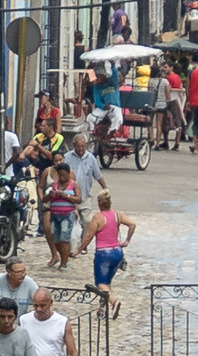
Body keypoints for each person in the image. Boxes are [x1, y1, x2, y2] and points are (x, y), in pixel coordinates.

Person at [72, 190, 136, 319]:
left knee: (101, 283)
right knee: (107, 283)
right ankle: (102, 309)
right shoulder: (118, 214)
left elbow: (88, 236)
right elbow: (132, 224)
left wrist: (78, 250)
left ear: (99, 203)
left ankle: (113, 302)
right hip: (117, 252)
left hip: (103, 254)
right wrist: (127, 240)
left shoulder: (98, 217)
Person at [44, 162, 81, 270]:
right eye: (60, 175)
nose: (62, 177)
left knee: (64, 237)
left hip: (67, 214)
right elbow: (44, 199)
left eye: (64, 175)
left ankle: (64, 263)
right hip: (55, 214)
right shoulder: (54, 185)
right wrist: (50, 195)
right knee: (55, 238)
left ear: (68, 174)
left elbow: (78, 199)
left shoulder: (73, 185)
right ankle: (62, 256)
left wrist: (67, 196)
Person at [70, 134, 107, 237]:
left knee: (86, 221)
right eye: (78, 146)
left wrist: (105, 189)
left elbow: (98, 175)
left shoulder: (91, 158)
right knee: (71, 221)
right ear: (74, 145)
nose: (81, 149)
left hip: (85, 196)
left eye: (83, 146)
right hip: (71, 197)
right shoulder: (67, 157)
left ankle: (83, 244)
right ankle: (71, 243)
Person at [0, 258, 38, 323]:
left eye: (24, 271)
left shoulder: (29, 283)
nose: (23, 275)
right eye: (19, 272)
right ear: (9, 272)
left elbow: (40, 301)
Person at [86, 62, 123, 134]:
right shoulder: (96, 87)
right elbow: (97, 100)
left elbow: (115, 75)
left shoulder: (112, 82)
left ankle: (113, 129)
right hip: (103, 108)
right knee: (90, 117)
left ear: (104, 76)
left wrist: (112, 65)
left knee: (118, 117)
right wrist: (103, 106)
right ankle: (93, 130)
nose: (98, 78)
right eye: (97, 76)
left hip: (115, 107)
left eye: (99, 76)